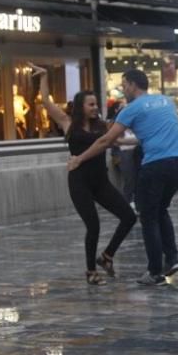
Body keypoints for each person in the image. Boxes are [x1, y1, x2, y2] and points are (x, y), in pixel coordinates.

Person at [69, 69, 178, 286]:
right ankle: (171, 259)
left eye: (124, 85)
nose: (123, 89)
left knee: (148, 216)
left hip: (156, 164)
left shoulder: (130, 109)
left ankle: (154, 271)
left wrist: (79, 159)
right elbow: (156, 134)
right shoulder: (166, 101)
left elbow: (105, 141)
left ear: (133, 85)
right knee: (160, 209)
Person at [38, 66, 136, 286]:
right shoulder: (67, 124)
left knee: (129, 217)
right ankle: (90, 271)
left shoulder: (102, 126)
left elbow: (117, 141)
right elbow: (45, 101)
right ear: (81, 107)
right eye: (90, 104)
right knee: (93, 226)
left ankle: (107, 256)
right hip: (79, 182)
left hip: (101, 181)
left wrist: (142, 140)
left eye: (95, 104)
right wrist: (44, 76)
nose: (95, 108)